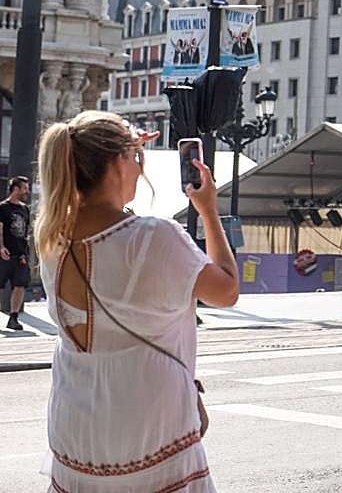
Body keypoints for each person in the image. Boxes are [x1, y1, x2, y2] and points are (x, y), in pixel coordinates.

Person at [35, 111, 240, 491]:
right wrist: (209, 211)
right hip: (146, 436)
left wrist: (122, 147)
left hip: (76, 437)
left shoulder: (51, 238)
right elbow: (226, 290)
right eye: (135, 156)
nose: (140, 165)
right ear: (117, 163)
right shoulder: (153, 238)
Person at [0, 175, 32, 331]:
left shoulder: (25, 208)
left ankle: (13, 318)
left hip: (21, 255)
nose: (28, 191)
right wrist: (1, 247)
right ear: (16, 189)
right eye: (25, 188)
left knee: (20, 286)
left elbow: (25, 231)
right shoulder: (3, 207)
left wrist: (26, 253)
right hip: (4, 254)